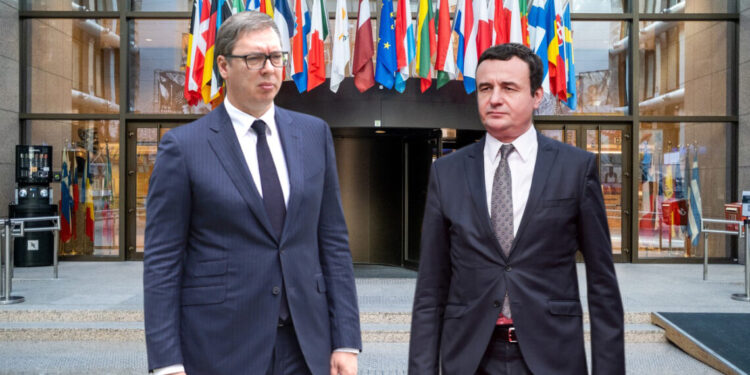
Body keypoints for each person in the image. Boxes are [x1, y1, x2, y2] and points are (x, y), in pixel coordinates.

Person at [143, 12, 361, 375]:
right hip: (221, 347)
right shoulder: (183, 148)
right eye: (254, 58)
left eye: (276, 57)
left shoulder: (314, 135)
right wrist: (167, 362)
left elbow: (333, 243)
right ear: (224, 66)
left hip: (307, 347)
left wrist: (346, 340)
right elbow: (163, 262)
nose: (269, 68)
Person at [408, 43, 625, 375]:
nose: (495, 98)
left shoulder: (575, 169)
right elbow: (430, 289)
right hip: (469, 357)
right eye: (485, 88)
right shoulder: (447, 172)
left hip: (553, 356)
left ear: (537, 96)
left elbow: (602, 286)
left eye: (509, 87)